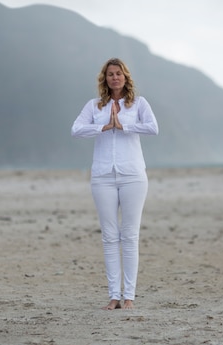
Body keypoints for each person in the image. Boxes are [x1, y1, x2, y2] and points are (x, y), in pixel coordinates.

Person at [71, 57, 159, 310]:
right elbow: (76, 129)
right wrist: (104, 126)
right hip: (102, 176)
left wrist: (124, 125)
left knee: (130, 236)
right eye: (110, 74)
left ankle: (128, 296)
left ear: (125, 77)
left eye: (118, 73)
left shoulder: (139, 104)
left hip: (132, 175)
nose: (114, 77)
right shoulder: (94, 106)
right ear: (105, 78)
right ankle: (113, 296)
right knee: (110, 237)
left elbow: (153, 128)